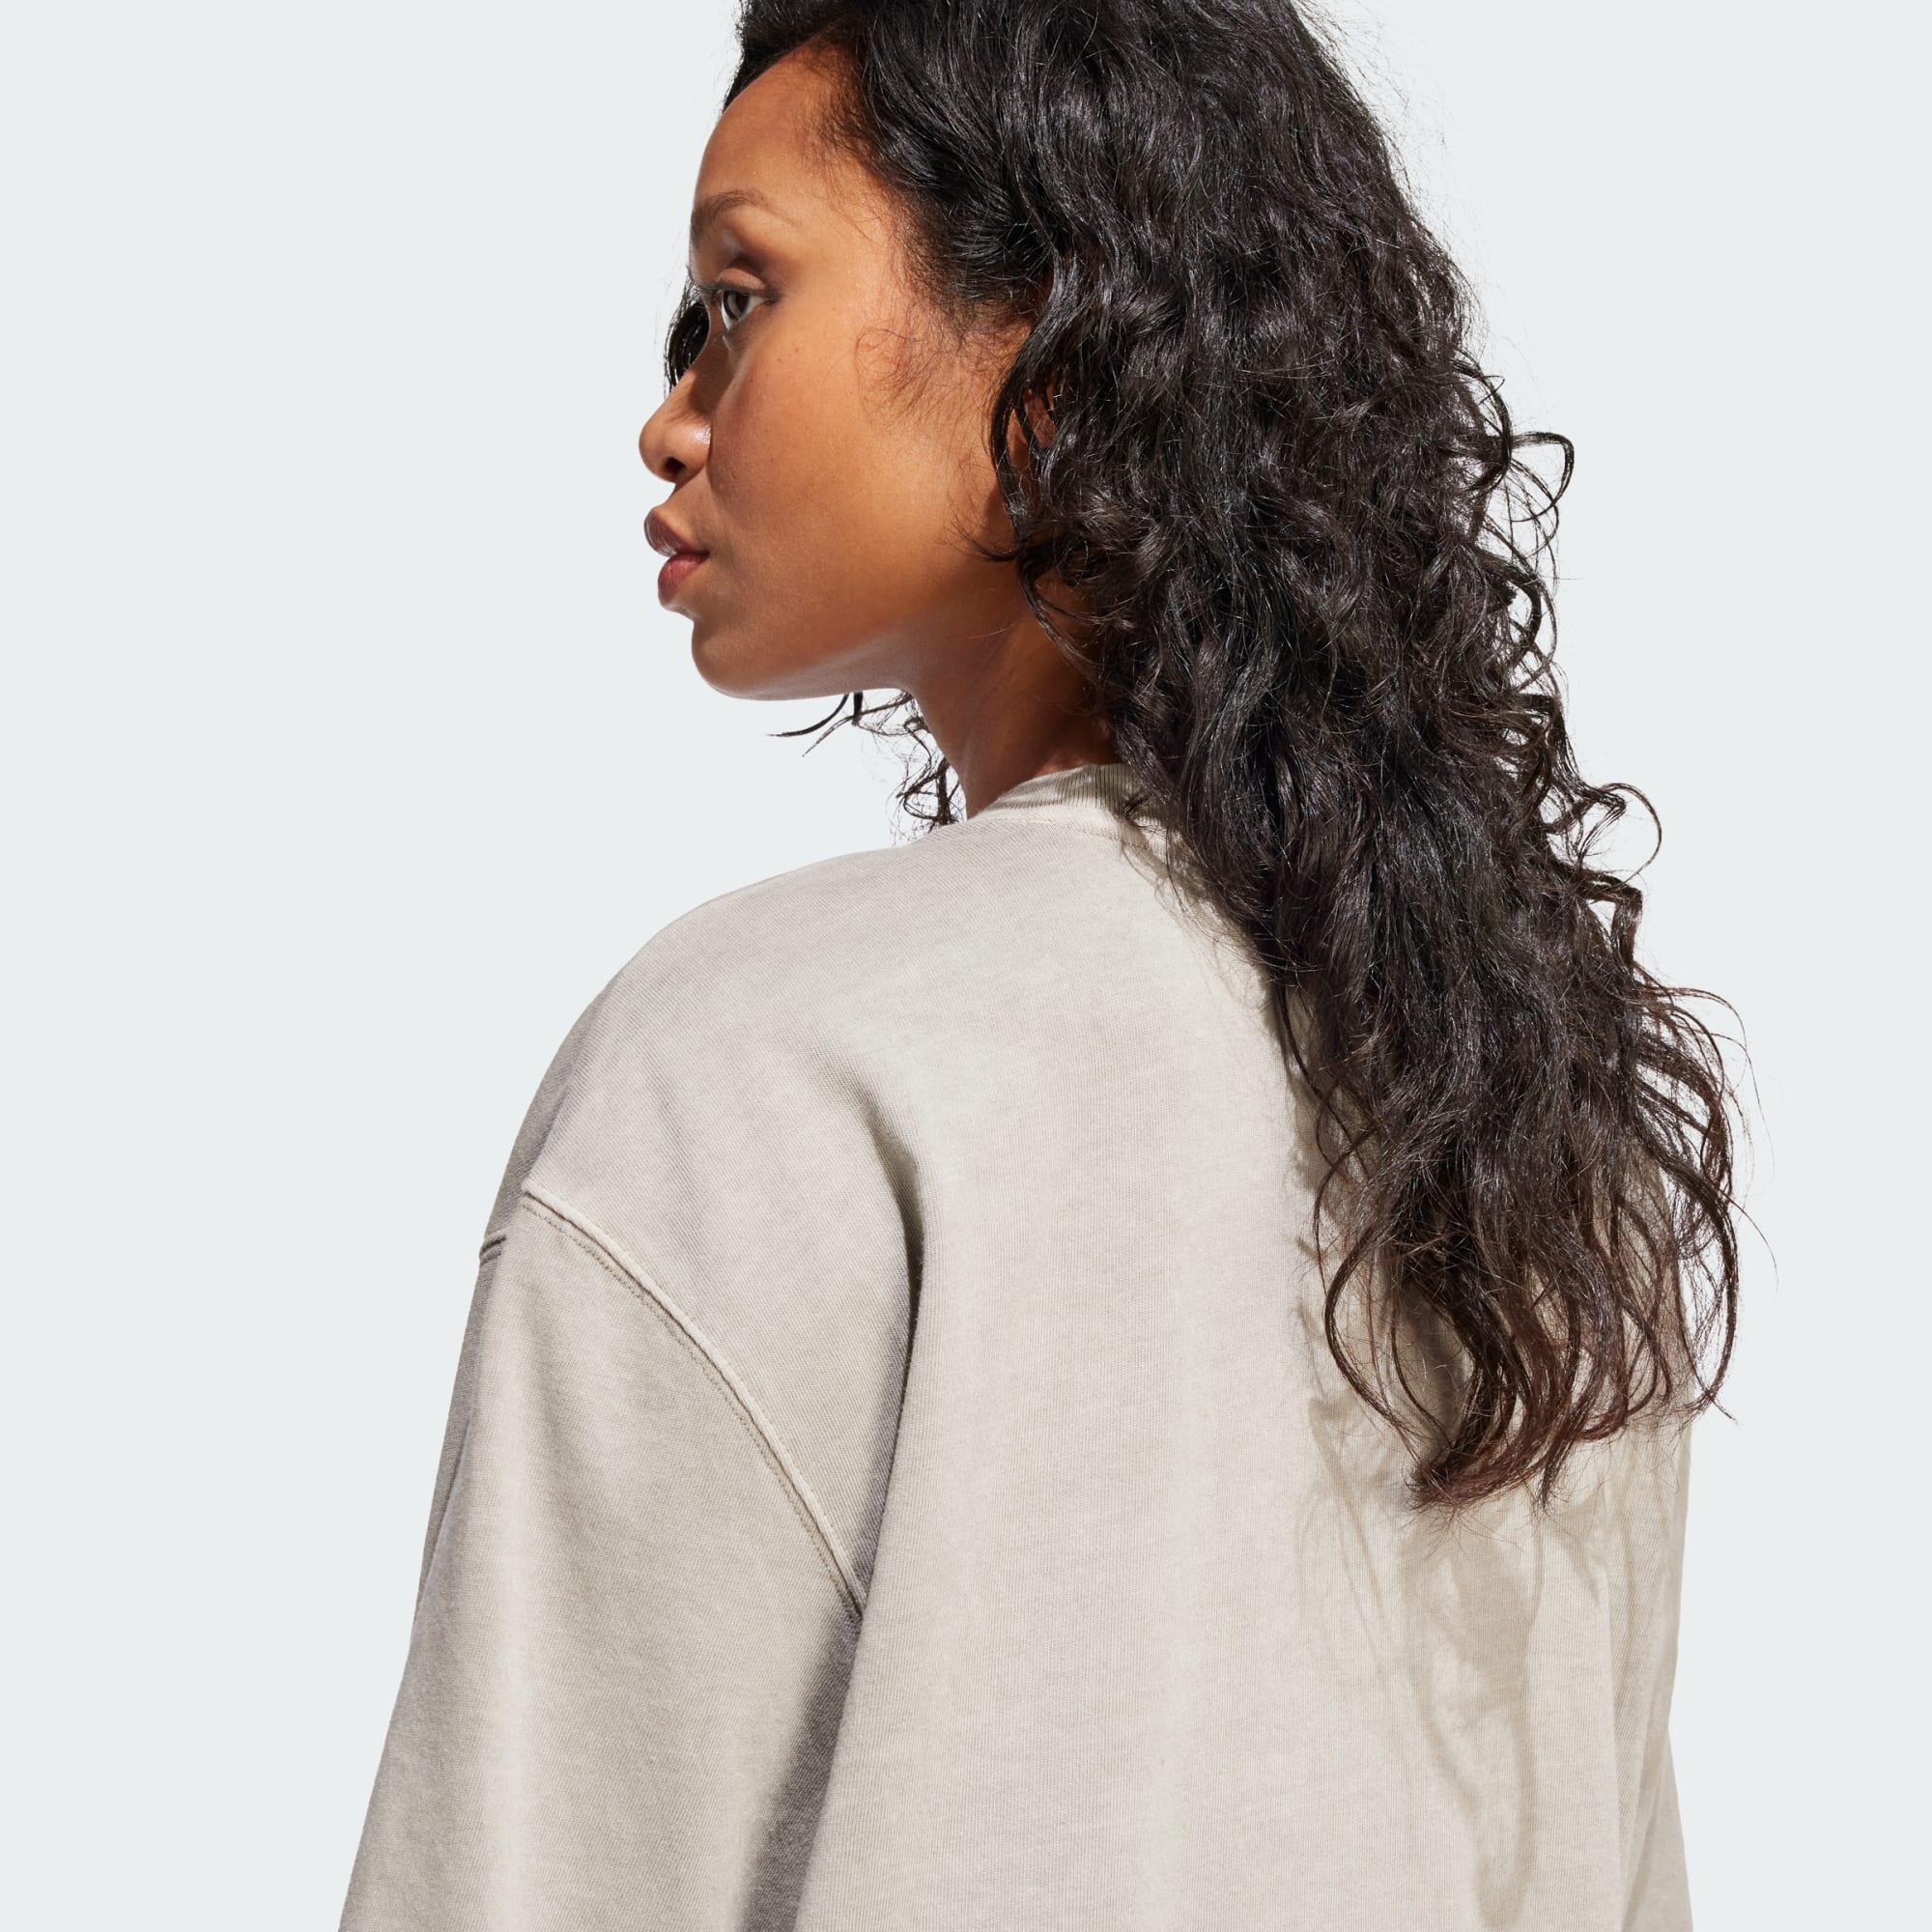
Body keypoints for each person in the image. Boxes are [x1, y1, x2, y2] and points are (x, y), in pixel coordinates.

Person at [338, 4, 1746, 1927]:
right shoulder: (1531, 1130)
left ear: (1062, 350)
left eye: (739, 300)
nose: (672, 415)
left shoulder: (777, 1063)